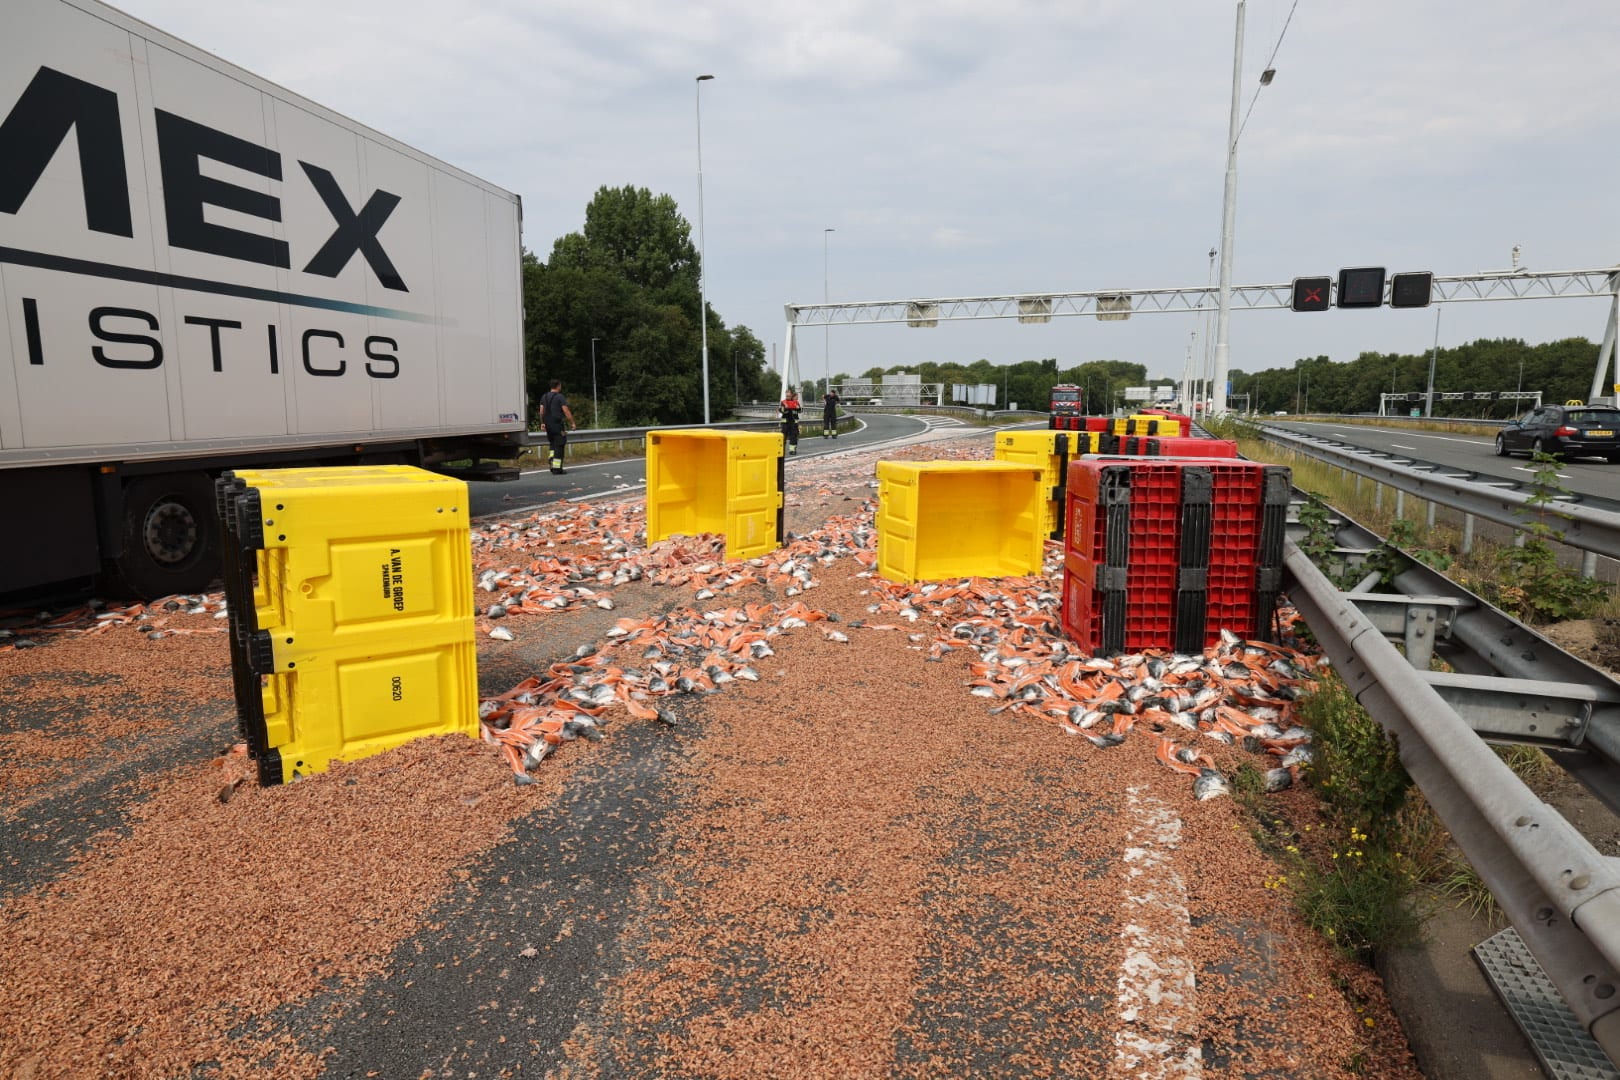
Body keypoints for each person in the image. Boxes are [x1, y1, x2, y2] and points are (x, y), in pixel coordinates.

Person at [538, 379, 575, 474]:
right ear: (558, 386)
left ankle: (552, 459)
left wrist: (542, 423)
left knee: (552, 444)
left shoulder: (544, 396)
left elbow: (541, 412)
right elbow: (566, 411)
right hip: (558, 425)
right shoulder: (560, 397)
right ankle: (557, 468)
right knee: (560, 444)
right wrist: (572, 423)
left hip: (548, 425)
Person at [780, 391, 801, 456]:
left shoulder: (796, 402)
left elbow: (800, 410)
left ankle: (792, 450)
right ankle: (781, 450)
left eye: (789, 396)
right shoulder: (783, 402)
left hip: (793, 423)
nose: (787, 397)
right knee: (783, 437)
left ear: (791, 396)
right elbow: (781, 410)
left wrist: (797, 408)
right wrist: (785, 408)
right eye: (787, 396)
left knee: (793, 437)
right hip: (785, 423)